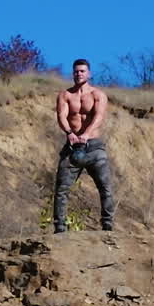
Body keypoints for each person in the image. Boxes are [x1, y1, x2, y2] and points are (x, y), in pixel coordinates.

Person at [53, 58, 114, 233]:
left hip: (94, 146)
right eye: (76, 71)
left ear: (89, 73)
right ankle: (60, 227)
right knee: (61, 189)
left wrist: (86, 134)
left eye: (82, 71)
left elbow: (99, 116)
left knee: (105, 187)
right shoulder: (65, 95)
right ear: (73, 73)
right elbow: (61, 116)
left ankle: (108, 225)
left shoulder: (98, 95)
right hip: (72, 147)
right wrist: (70, 133)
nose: (79, 74)